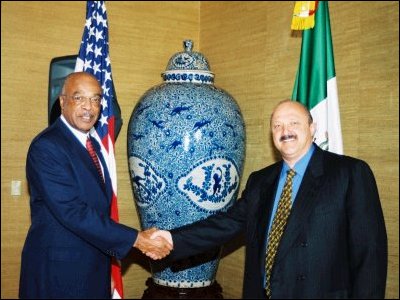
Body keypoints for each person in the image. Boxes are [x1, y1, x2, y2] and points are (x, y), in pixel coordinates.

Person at [151, 99, 388, 299]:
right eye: (277, 125)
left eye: (294, 122)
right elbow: (226, 223)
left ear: (313, 127)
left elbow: (370, 256)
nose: (285, 131)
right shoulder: (260, 181)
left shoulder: (349, 173)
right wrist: (172, 238)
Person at [19, 72, 173, 299]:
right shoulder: (47, 147)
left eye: (95, 99)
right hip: (59, 272)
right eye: (79, 98)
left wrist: (106, 268)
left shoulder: (93, 144)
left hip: (92, 267)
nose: (88, 107)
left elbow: (99, 208)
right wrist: (137, 239)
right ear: (62, 102)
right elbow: (73, 212)